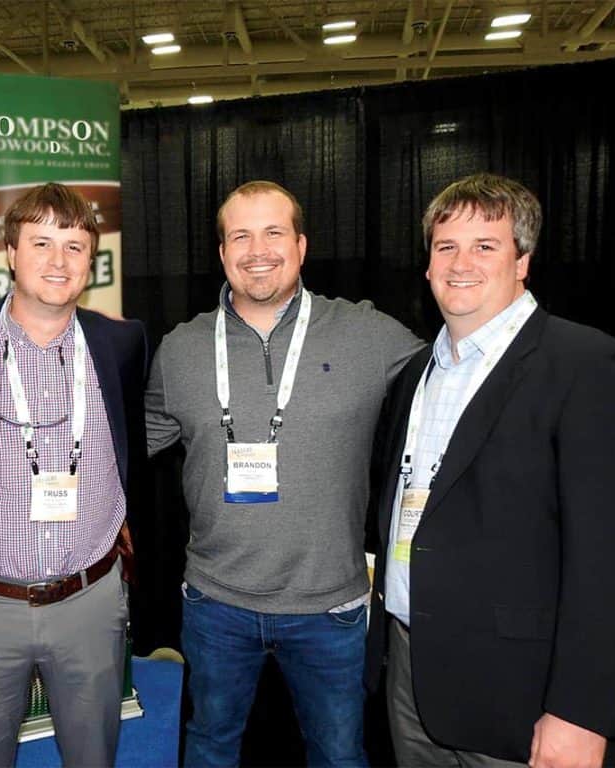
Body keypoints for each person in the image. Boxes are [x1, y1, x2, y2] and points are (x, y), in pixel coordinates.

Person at [365, 173, 615, 767]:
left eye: (485, 246)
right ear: (426, 266)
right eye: (445, 246)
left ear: (523, 261)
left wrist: (584, 713)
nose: (460, 263)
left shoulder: (590, 368)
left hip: (522, 699)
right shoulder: (413, 376)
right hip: (409, 672)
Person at [145, 180, 422, 766]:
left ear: (301, 246)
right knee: (209, 747)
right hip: (215, 603)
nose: (257, 249)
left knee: (340, 754)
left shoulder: (368, 335)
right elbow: (121, 445)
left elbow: (454, 386)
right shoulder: (182, 349)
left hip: (331, 607)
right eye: (240, 235)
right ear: (221, 253)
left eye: (273, 232)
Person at [0, 183, 147, 767]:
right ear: (10, 252)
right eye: (42, 242)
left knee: (93, 758)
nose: (58, 261)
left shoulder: (122, 343)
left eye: (74, 246)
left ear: (91, 260)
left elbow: (138, 452)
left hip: (89, 602)